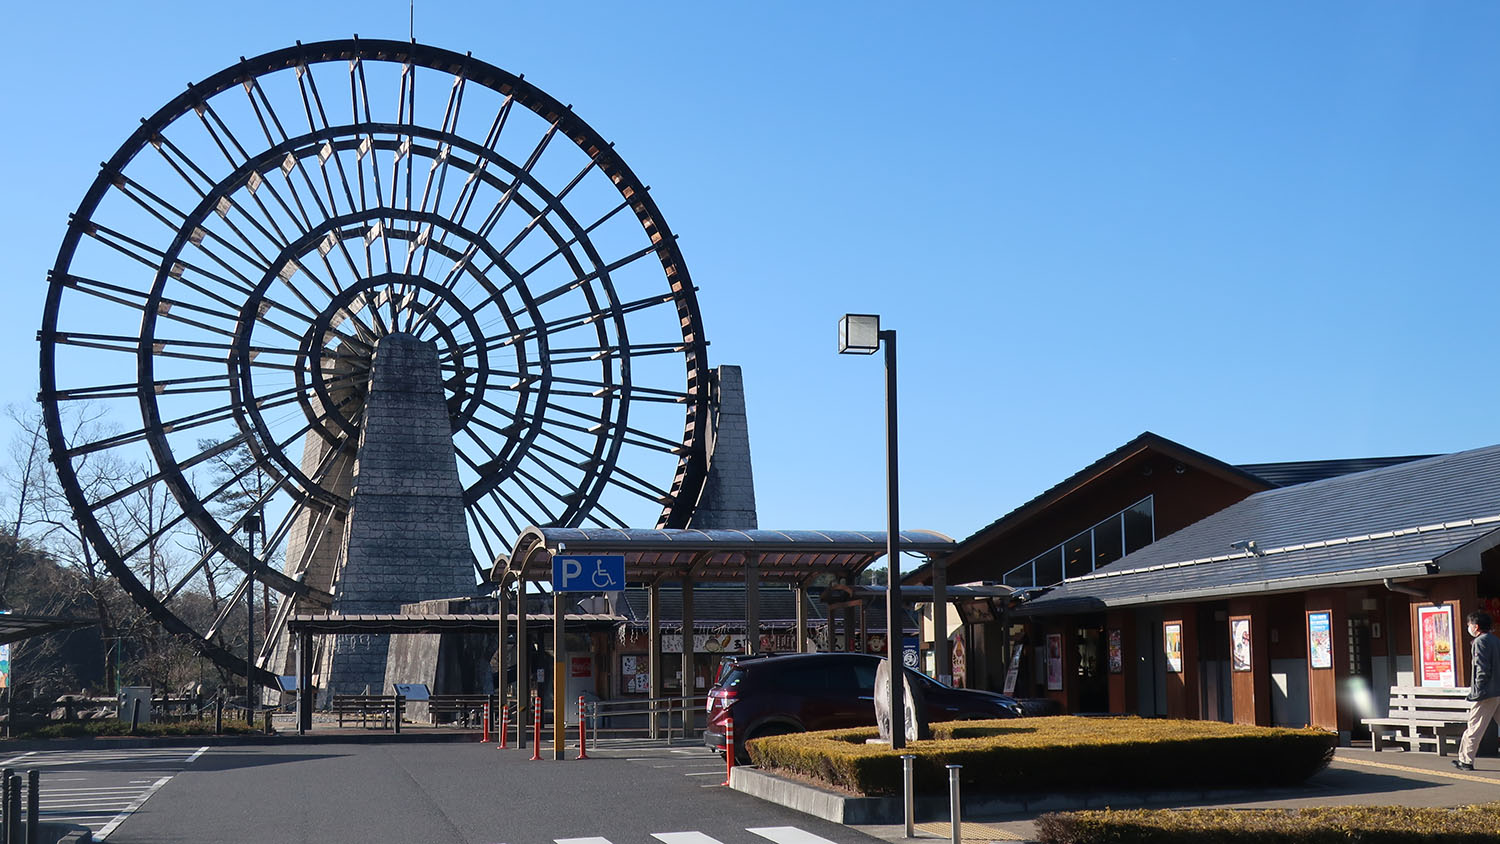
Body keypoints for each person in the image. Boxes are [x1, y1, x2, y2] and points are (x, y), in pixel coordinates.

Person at [1454, 610, 1500, 771]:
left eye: (1469, 624)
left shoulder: (1480, 642)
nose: (1468, 627)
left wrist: (1477, 692)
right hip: (1498, 690)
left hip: (1486, 693)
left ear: (1476, 626)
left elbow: (1481, 668)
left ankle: (1465, 760)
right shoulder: (1495, 640)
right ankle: (1464, 759)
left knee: (1474, 727)